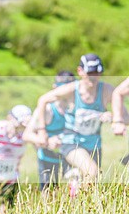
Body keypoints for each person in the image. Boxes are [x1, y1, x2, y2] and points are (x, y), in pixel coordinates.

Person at [36, 54, 115, 183]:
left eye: (97, 72)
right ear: (80, 71)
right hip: (72, 143)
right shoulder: (72, 89)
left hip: (94, 145)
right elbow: (43, 100)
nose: (94, 77)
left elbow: (123, 114)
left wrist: (114, 117)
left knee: (91, 181)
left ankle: (75, 200)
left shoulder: (107, 90)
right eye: (90, 73)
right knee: (91, 171)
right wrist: (41, 130)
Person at [22, 71, 75, 191]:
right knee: (50, 199)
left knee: (77, 196)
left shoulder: (76, 108)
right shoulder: (47, 110)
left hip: (71, 160)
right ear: (55, 88)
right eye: (63, 87)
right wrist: (47, 141)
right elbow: (27, 135)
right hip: (48, 161)